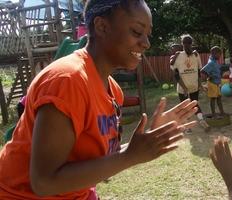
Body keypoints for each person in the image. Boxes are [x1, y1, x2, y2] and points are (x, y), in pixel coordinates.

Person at [0, 1, 198, 199]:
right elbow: (44, 182)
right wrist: (128, 157)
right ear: (102, 26)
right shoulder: (68, 81)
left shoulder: (113, 90)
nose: (146, 43)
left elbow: (97, 163)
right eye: (137, 32)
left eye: (148, 35)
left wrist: (144, 142)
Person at [170, 34, 210, 131]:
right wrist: (200, 85)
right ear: (192, 44)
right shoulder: (196, 55)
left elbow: (176, 74)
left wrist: (184, 88)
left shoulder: (178, 56)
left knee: (184, 108)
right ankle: (201, 120)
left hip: (183, 87)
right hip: (193, 85)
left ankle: (188, 128)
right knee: (195, 104)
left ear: (182, 44)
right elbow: (198, 72)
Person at [201, 46, 226, 119]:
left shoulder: (214, 61)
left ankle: (222, 112)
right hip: (212, 83)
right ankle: (214, 114)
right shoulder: (211, 62)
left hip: (217, 83)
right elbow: (202, 70)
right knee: (213, 99)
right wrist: (209, 76)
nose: (220, 56)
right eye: (219, 54)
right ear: (214, 53)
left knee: (219, 97)